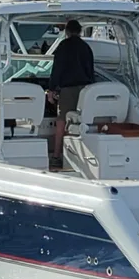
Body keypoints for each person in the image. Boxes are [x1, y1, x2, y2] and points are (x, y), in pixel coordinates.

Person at [47, 19, 94, 168]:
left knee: (61, 122)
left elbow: (57, 70)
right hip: (85, 90)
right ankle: (80, 156)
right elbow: (91, 72)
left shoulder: (63, 46)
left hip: (67, 90)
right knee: (82, 121)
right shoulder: (87, 48)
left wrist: (51, 90)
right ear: (80, 31)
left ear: (67, 31)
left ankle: (56, 156)